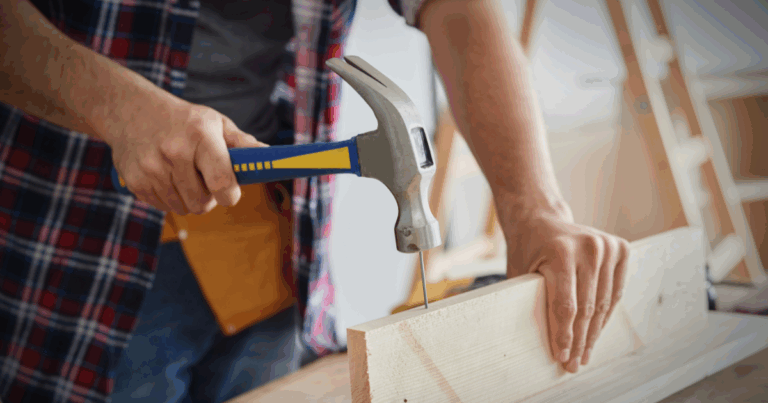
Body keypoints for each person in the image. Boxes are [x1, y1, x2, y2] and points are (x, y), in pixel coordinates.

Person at [0, 0, 631, 402]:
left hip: (273, 251)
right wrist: (119, 108)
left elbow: (458, 8)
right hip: (75, 241)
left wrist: (535, 208)